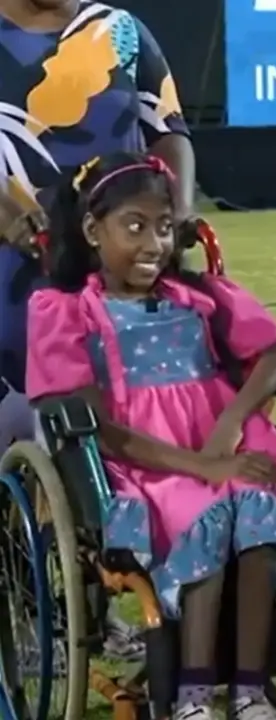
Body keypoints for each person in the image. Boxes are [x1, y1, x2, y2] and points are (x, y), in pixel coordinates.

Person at [25, 152, 276, 720]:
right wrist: (204, 467)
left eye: (164, 227)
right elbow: (98, 425)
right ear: (91, 230)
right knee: (204, 511)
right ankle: (194, 696)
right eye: (135, 227)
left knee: (254, 504)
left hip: (221, 443)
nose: (154, 244)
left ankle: (250, 691)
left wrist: (232, 420)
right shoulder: (66, 311)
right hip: (141, 464)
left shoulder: (200, 295)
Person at [0, 0, 198, 660]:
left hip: (107, 278)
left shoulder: (121, 32)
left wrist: (177, 211)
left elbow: (168, 131)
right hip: (9, 273)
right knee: (14, 437)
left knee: (100, 441)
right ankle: (27, 615)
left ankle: (93, 610)